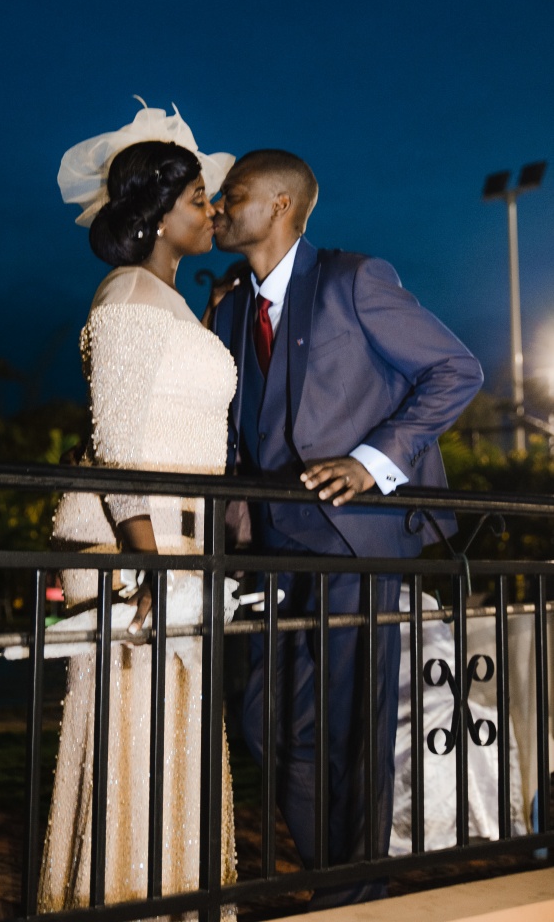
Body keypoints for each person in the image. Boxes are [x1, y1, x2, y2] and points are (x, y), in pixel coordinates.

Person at [210, 148, 483, 906]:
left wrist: (372, 461)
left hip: (357, 540)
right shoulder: (230, 309)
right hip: (274, 549)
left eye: (234, 194)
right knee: (267, 723)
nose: (219, 207)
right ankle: (345, 879)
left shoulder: (353, 280)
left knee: (352, 734)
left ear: (281, 205)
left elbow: (456, 370)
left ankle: (351, 901)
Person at [37, 103, 238, 912]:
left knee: (178, 743)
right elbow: (117, 443)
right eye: (197, 200)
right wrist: (150, 562)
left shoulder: (170, 299)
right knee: (136, 741)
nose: (210, 211)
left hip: (181, 549)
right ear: (156, 214)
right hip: (140, 553)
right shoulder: (125, 295)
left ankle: (178, 898)